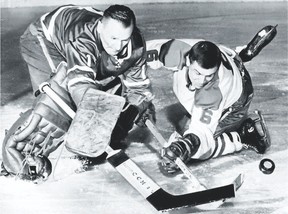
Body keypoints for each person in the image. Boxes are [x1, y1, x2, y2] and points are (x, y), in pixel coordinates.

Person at [1, 4, 155, 181]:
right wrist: (95, 119)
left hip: (83, 50)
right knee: (59, 98)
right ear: (99, 26)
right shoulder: (82, 37)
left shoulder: (135, 42)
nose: (118, 46)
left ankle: (100, 142)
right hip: (45, 40)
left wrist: (141, 106)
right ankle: (13, 154)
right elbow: (80, 86)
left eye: (124, 39)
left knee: (113, 102)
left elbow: (138, 87)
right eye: (113, 38)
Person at [145, 36, 273, 175]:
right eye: (197, 73)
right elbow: (137, 54)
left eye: (209, 76)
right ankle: (238, 55)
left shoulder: (214, 92)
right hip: (227, 59)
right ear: (188, 60)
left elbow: (201, 133)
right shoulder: (175, 51)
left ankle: (242, 136)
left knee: (197, 151)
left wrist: (186, 145)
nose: (201, 81)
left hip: (236, 101)